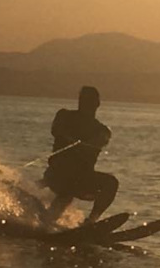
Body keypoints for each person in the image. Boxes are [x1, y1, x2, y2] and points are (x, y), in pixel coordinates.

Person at [40, 86, 118, 228]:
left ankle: (90, 222)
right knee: (67, 192)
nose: (85, 104)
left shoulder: (101, 130)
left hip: (82, 180)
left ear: (97, 104)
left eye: (89, 101)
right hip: (58, 175)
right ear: (79, 101)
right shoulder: (64, 116)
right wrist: (68, 137)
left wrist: (94, 141)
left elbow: (104, 138)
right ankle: (44, 223)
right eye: (83, 100)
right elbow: (56, 129)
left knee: (111, 183)